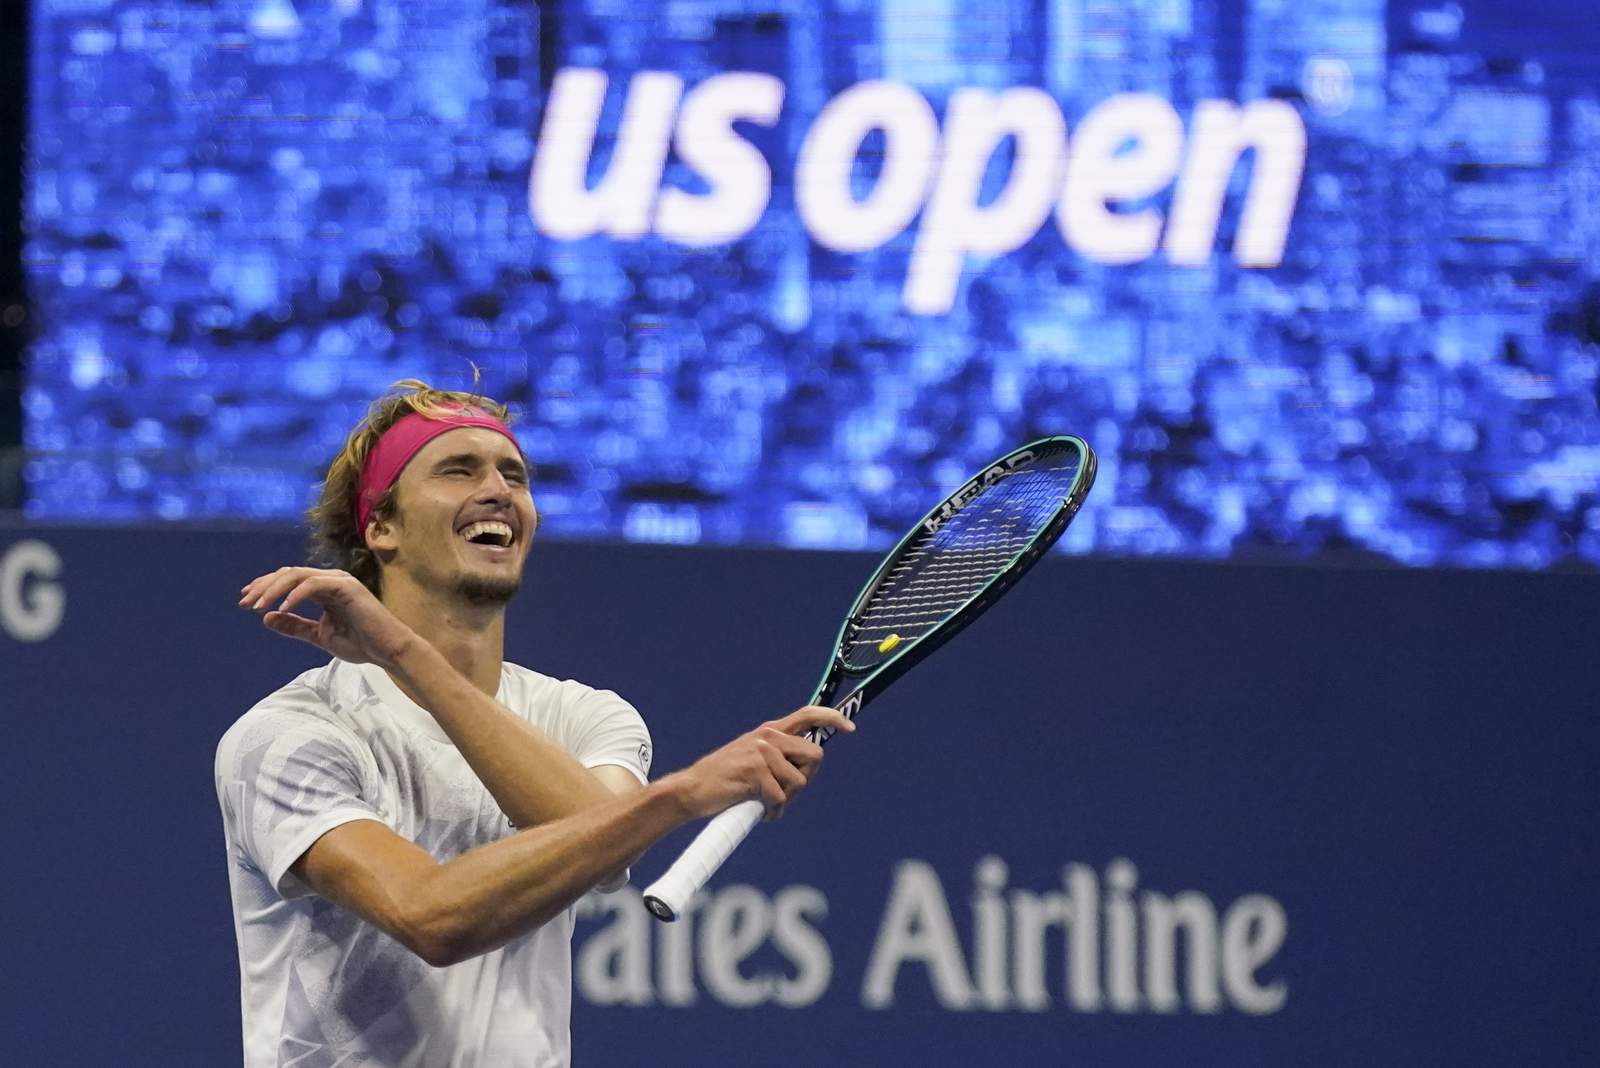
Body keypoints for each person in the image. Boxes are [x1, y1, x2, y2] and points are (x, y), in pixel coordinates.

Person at [213, 379, 850, 1067]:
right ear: (381, 527)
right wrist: (682, 792)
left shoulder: (584, 716)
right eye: (459, 469)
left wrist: (411, 660)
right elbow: (430, 917)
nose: (499, 490)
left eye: (514, 475)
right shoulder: (286, 737)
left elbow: (600, 844)